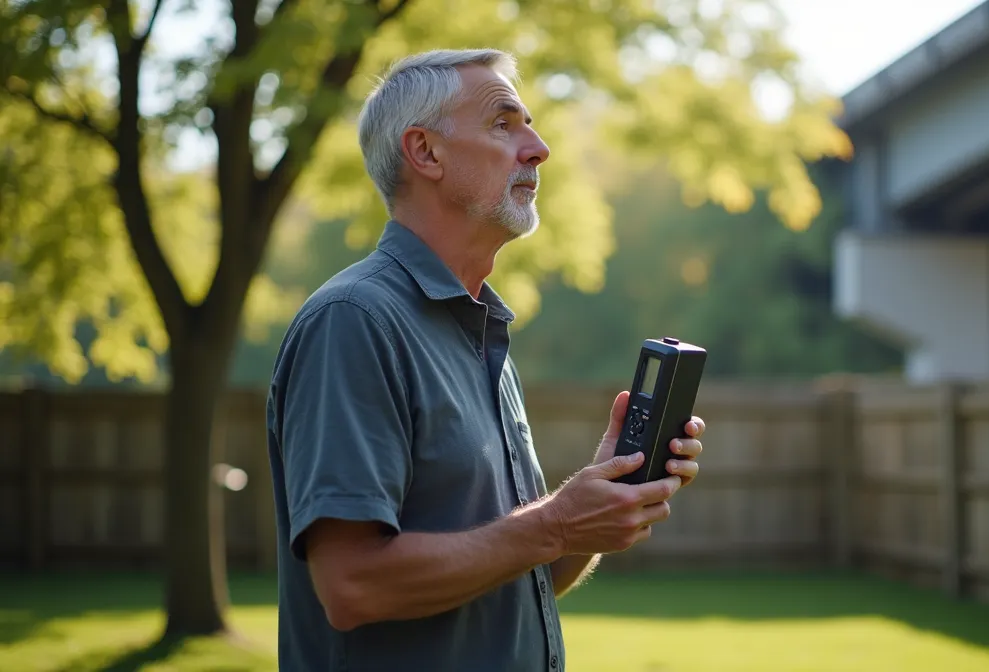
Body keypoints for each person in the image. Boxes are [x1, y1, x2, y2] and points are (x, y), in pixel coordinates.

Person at [264, 48, 706, 671]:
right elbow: (352, 585)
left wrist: (595, 508)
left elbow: (513, 578)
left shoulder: (480, 334)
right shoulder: (355, 322)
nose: (539, 148)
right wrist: (555, 522)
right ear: (426, 153)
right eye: (504, 123)